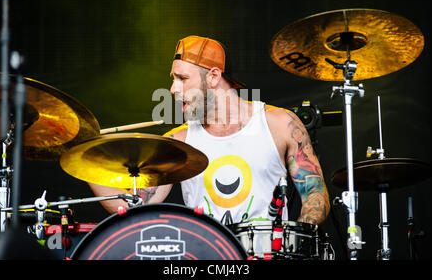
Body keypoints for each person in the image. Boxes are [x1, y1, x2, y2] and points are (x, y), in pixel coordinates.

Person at [88, 35, 330, 226]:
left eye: (182, 78)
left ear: (213, 77)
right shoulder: (179, 141)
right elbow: (134, 205)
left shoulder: (279, 124)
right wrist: (84, 156)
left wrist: (295, 242)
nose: (172, 89)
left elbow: (315, 196)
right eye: (173, 79)